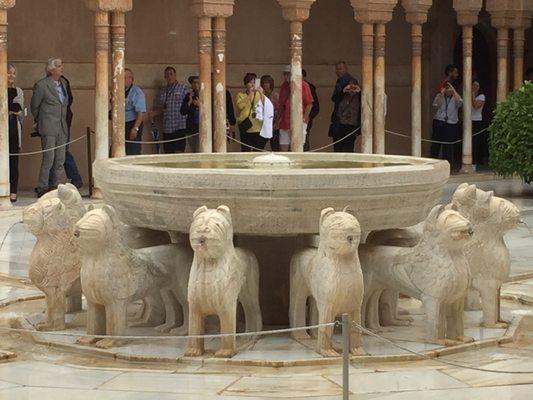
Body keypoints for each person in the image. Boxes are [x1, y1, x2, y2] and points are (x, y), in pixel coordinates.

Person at [30, 58, 70, 197]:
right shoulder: (42, 85)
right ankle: (42, 187)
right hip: (48, 126)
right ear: (51, 69)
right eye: (58, 66)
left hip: (62, 126)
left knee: (60, 159)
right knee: (49, 158)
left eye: (61, 65)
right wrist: (40, 120)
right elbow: (34, 106)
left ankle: (55, 186)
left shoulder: (63, 83)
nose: (61, 68)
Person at [151, 66, 189, 154]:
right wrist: (154, 113)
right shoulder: (163, 91)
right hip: (167, 128)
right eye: (167, 75)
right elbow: (162, 109)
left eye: (171, 74)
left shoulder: (184, 88)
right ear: (165, 77)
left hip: (179, 126)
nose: (169, 76)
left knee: (179, 153)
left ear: (175, 75)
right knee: (168, 153)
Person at [277, 66, 314, 151]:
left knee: (298, 148)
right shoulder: (284, 86)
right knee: (283, 146)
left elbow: (309, 104)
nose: (286, 76)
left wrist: (304, 119)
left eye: (288, 74)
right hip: (285, 122)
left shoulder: (303, 85)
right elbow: (281, 105)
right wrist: (277, 120)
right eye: (285, 74)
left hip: (298, 121)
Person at [431, 81, 463, 170]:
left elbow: (460, 103)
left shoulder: (456, 97)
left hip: (451, 124)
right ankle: (431, 166)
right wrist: (441, 93)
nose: (449, 92)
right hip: (439, 122)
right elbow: (436, 105)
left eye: (450, 90)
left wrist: (454, 90)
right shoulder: (440, 96)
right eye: (447, 90)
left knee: (448, 146)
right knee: (435, 145)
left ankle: (448, 167)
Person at [57, 75, 83, 189]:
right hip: (56, 121)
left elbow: (69, 100)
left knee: (63, 150)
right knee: (58, 151)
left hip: (64, 121)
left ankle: (76, 178)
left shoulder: (63, 81)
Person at [235, 73, 266, 152]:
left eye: (254, 82)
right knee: (246, 150)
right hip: (246, 126)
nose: (252, 84)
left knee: (257, 150)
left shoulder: (259, 94)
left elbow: (264, 105)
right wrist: (250, 94)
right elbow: (240, 106)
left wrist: (261, 93)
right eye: (250, 82)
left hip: (257, 126)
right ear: (246, 84)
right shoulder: (240, 95)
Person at [7, 65, 24, 202]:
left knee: (14, 161)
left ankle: (13, 191)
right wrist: (10, 108)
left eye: (13, 73)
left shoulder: (18, 91)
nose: (11, 76)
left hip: (14, 128)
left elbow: (18, 109)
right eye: (8, 73)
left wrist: (10, 109)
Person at [332, 78, 361, 152]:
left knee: (349, 147)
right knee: (338, 147)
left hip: (352, 126)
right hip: (340, 125)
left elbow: (367, 100)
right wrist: (344, 90)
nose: (351, 89)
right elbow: (334, 99)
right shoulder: (342, 96)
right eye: (350, 87)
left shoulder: (359, 97)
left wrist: (359, 91)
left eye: (353, 87)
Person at [124, 68, 146, 155]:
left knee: (133, 151)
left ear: (132, 79)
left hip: (133, 124)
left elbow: (140, 114)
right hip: (122, 124)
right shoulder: (120, 90)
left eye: (128, 77)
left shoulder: (137, 92)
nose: (126, 79)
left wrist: (135, 128)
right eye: (123, 77)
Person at [330, 61, 354, 141]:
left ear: (346, 69)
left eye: (341, 69)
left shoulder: (351, 82)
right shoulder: (339, 81)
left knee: (346, 148)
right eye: (337, 69)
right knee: (338, 146)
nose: (339, 71)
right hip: (339, 119)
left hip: (347, 120)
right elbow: (334, 98)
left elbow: (351, 100)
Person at [260, 74, 280, 151]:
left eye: (267, 82)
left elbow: (279, 110)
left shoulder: (275, 95)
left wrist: (277, 122)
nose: (265, 85)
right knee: (260, 145)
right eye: (264, 83)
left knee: (275, 146)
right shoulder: (261, 95)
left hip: (273, 123)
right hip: (263, 123)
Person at [181, 75, 200, 152]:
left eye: (197, 82)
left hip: (202, 128)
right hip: (191, 128)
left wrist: (200, 105)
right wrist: (189, 101)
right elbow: (182, 112)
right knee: (193, 150)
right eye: (193, 83)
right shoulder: (188, 96)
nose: (195, 84)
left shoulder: (207, 94)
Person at [302, 69, 320, 151]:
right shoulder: (288, 86)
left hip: (305, 119)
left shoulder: (309, 87)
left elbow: (315, 106)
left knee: (304, 140)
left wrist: (308, 117)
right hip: (289, 120)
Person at [471, 80, 488, 167]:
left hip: (476, 121)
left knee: (475, 142)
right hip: (468, 121)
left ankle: (474, 163)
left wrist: (472, 95)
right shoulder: (468, 95)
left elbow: (476, 106)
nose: (475, 87)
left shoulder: (481, 96)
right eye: (473, 85)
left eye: (477, 85)